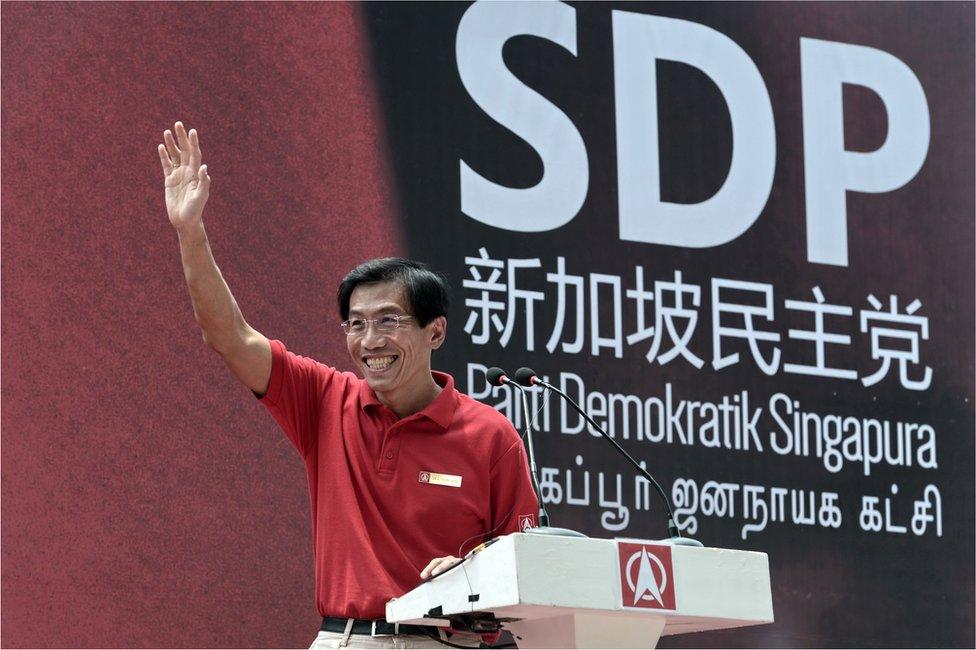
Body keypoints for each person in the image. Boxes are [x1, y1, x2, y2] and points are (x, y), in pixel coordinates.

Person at [159, 122, 539, 649]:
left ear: (436, 330)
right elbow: (227, 335)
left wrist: (472, 574)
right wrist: (190, 231)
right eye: (355, 324)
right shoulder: (323, 399)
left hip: (448, 643)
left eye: (388, 320)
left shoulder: (491, 435)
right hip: (347, 641)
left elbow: (525, 566)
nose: (369, 340)